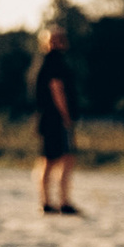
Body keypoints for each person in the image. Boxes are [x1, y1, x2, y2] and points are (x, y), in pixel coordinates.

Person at [31, 23, 82, 217]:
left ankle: (50, 201)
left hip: (47, 118)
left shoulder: (44, 62)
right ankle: (60, 201)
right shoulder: (55, 62)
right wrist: (66, 117)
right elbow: (57, 89)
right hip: (56, 119)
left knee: (50, 160)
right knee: (60, 159)